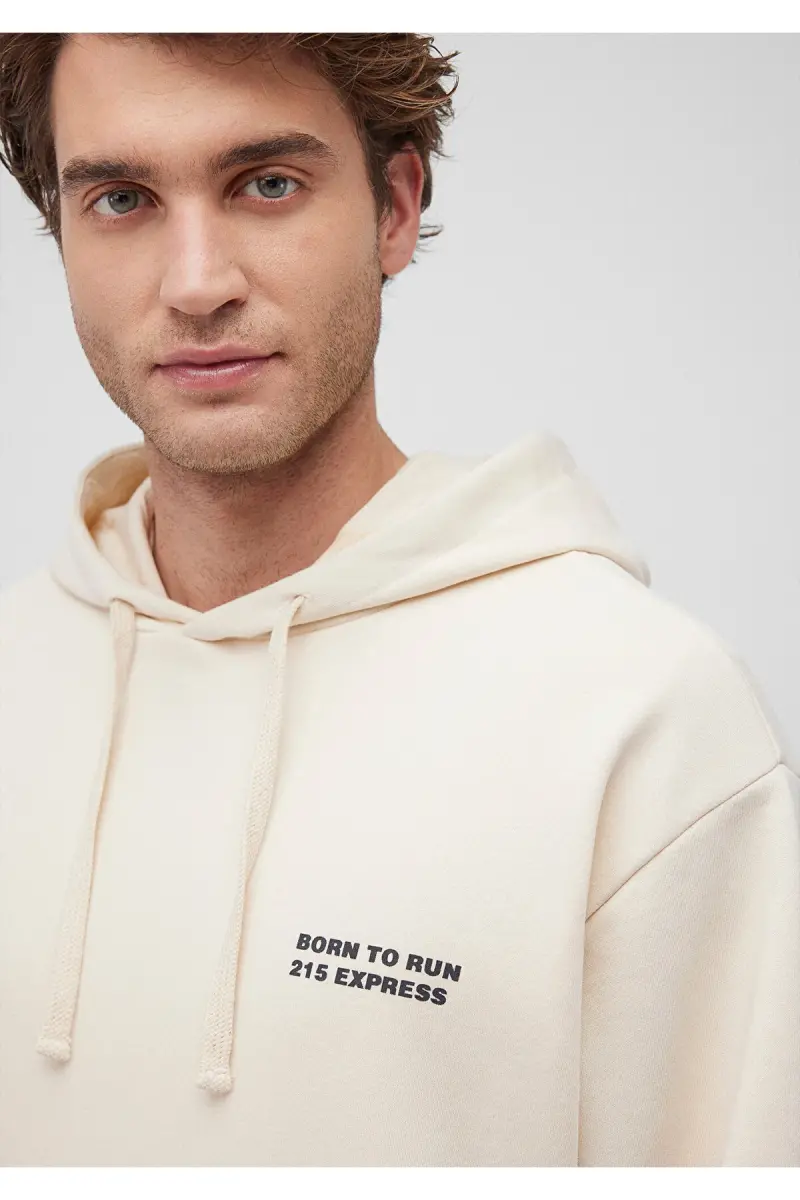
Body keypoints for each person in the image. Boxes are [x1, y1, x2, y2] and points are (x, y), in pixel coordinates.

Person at [0, 32, 797, 1170]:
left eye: (266, 184)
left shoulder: (639, 717)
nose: (196, 283)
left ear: (395, 207)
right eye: (121, 199)